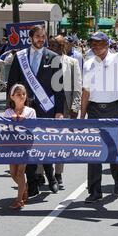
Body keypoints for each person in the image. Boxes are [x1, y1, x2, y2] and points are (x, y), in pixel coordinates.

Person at [7, 25, 64, 197]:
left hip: (47, 108)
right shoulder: (20, 57)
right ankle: (32, 182)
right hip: (24, 109)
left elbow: (59, 88)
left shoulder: (54, 58)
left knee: (45, 145)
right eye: (37, 36)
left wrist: (59, 111)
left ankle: (51, 177)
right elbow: (12, 84)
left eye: (43, 36)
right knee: (27, 147)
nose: (41, 39)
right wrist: (11, 107)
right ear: (30, 38)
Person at [81, 21, 118, 203]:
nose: (94, 46)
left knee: (114, 148)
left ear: (107, 44)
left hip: (113, 108)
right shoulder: (87, 63)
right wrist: (82, 116)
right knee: (94, 151)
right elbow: (85, 91)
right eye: (92, 43)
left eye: (98, 43)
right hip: (94, 109)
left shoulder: (117, 59)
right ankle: (94, 190)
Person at [47, 35, 82, 190]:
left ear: (62, 47)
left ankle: (58, 173)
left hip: (66, 107)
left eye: (55, 45)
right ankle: (42, 173)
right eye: (51, 45)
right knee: (45, 140)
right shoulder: (45, 60)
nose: (52, 48)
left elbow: (77, 87)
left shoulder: (72, 63)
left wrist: (75, 107)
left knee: (60, 141)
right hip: (47, 106)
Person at [4, 84, 36, 209]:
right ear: (12, 97)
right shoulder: (8, 112)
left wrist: (26, 121)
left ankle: (19, 200)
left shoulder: (30, 111)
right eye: (18, 94)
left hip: (25, 145)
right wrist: (10, 121)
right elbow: (4, 129)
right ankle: (25, 188)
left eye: (23, 94)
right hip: (12, 146)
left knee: (21, 171)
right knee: (13, 173)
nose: (22, 96)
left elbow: (34, 128)